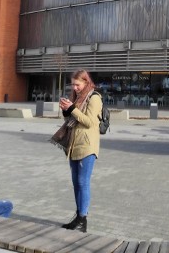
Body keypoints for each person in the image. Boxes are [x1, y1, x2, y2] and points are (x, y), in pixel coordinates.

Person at [59, 69, 102, 233]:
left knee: (83, 182)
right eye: (73, 85)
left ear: (86, 82)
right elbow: (72, 119)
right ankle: (78, 216)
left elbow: (89, 122)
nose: (75, 88)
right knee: (76, 183)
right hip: (74, 144)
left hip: (87, 146)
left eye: (77, 84)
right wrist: (66, 110)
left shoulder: (94, 97)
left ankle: (83, 219)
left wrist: (72, 109)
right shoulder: (76, 98)